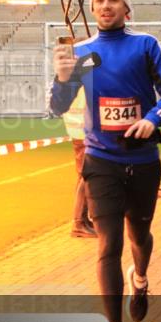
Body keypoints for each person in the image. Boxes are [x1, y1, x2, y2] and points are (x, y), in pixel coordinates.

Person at [49, 0, 161, 322]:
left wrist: (153, 119)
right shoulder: (84, 53)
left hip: (142, 161)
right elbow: (57, 106)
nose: (105, 6)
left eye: (113, 0)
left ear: (126, 8)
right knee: (109, 243)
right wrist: (61, 78)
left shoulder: (145, 45)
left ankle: (139, 280)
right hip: (100, 161)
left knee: (139, 236)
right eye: (99, 1)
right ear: (92, 9)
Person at [63, 86, 95, 238]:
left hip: (79, 131)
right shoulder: (84, 79)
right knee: (85, 176)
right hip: (84, 132)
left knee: (85, 175)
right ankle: (79, 223)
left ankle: (84, 220)